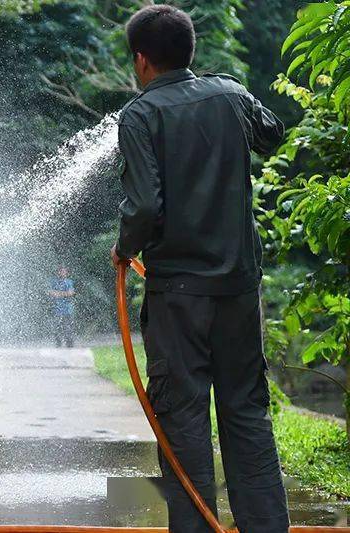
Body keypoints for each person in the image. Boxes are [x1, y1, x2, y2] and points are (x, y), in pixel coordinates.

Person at [109, 5, 289, 532]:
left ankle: (196, 527)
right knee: (246, 411)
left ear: (142, 61)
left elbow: (144, 207)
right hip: (238, 289)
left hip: (179, 297)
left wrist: (124, 249)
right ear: (190, 52)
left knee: (183, 419)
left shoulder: (140, 115)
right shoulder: (231, 93)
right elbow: (273, 133)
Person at [48, 266, 75, 348]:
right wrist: (64, 294)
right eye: (61, 271)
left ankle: (69, 344)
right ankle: (58, 344)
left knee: (68, 328)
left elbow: (71, 293)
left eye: (64, 272)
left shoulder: (69, 282)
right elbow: (51, 292)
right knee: (57, 328)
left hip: (67, 309)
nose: (63, 273)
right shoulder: (53, 281)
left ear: (67, 273)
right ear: (58, 272)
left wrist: (59, 294)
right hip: (56, 309)